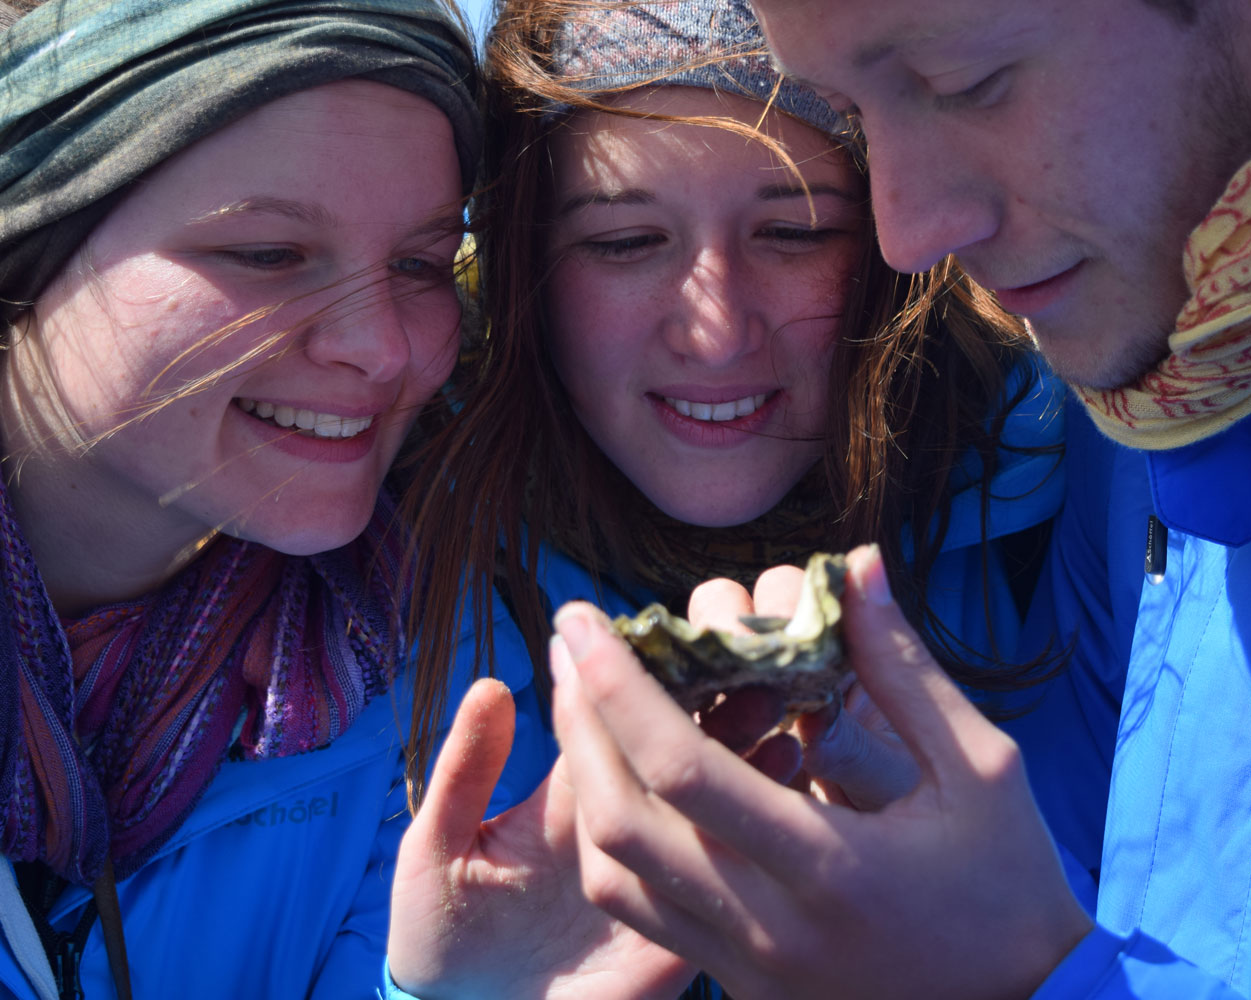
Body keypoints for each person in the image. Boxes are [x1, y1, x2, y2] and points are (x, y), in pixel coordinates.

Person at [540, 0, 1251, 997]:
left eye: (967, 83)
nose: (906, 234)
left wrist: (1015, 981)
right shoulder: (1178, 370)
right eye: (858, 116)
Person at [386, 1, 1080, 996]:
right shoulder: (388, 596)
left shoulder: (1076, 520)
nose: (715, 332)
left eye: (795, 231)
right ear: (522, 270)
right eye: (626, 242)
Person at [0, 1, 551, 996]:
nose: (383, 349)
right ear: (31, 239)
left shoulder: (447, 681)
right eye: (268, 254)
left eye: (421, 263)